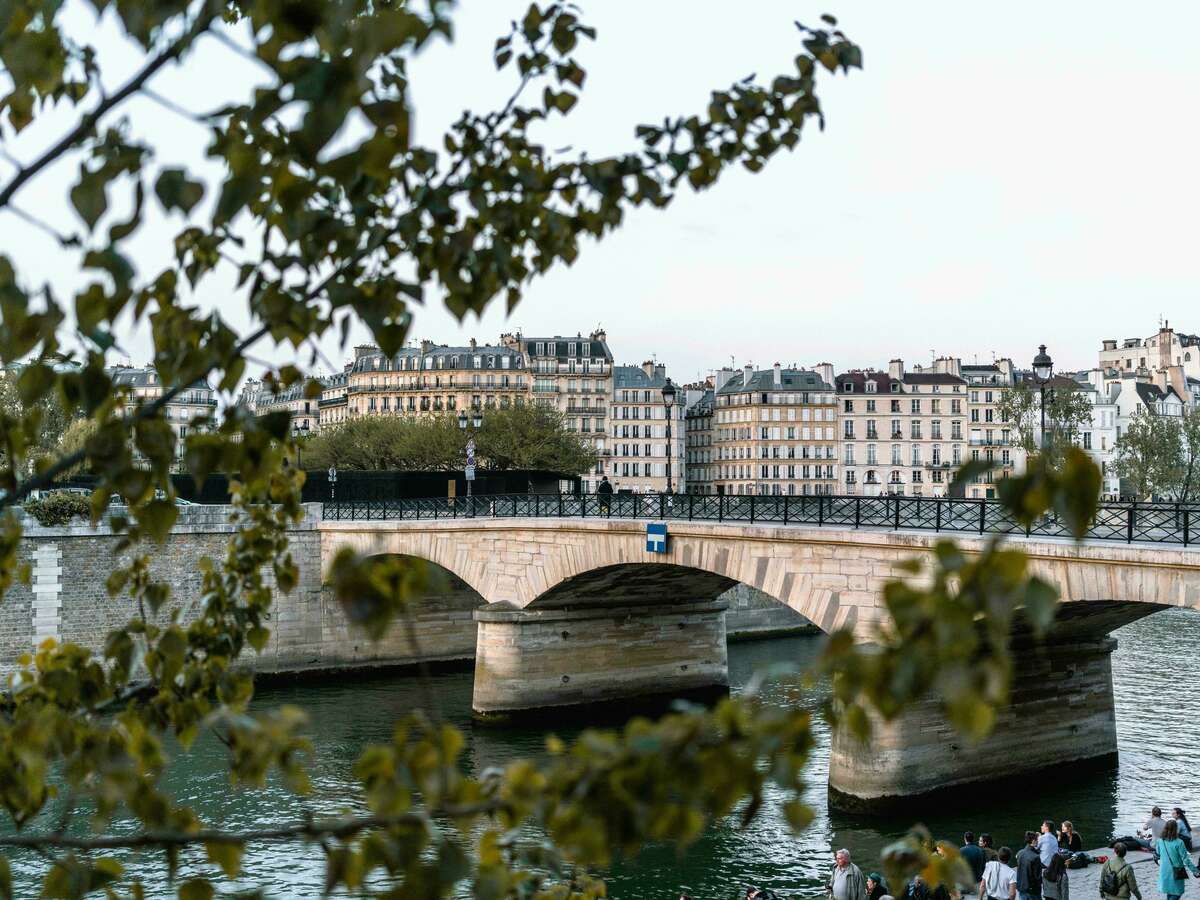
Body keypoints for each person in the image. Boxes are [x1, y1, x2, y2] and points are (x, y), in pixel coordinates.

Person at [1155, 819, 1199, 900]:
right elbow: (1186, 860)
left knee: (1169, 891)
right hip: (1176, 871)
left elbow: (1158, 853)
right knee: (1177, 892)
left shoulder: (1160, 840)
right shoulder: (1179, 842)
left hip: (1164, 870)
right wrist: (1195, 871)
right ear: (1176, 829)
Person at [1015, 831, 1044, 900]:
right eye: (1037, 840)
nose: (1038, 842)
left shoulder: (1019, 853)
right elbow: (1037, 877)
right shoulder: (1035, 857)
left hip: (1021, 887)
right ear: (1033, 841)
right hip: (1033, 891)